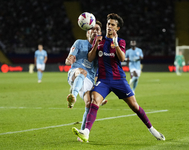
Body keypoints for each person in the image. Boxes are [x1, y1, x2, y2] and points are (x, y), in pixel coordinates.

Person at [72, 13, 165, 142]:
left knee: (134, 106)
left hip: (118, 80)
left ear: (117, 28)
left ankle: (152, 129)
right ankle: (86, 132)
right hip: (103, 81)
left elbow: (121, 58)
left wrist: (115, 44)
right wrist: (95, 45)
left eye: (112, 25)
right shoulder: (99, 40)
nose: (109, 26)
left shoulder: (120, 42)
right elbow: (90, 58)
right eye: (108, 24)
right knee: (94, 102)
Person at [65, 21, 107, 142]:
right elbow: (69, 59)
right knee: (82, 72)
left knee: (89, 104)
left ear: (100, 33)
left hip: (89, 80)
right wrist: (70, 59)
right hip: (75, 73)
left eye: (98, 29)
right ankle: (73, 95)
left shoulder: (101, 48)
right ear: (87, 31)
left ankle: (82, 134)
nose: (95, 31)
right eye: (92, 29)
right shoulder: (79, 43)